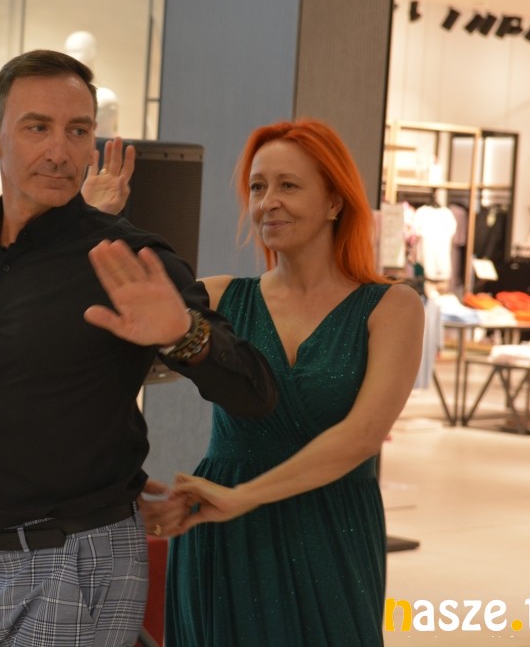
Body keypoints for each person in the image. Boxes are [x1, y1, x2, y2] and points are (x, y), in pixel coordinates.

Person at [0, 49, 277, 646]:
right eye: (37, 127)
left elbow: (256, 391)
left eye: (77, 130)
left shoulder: (131, 259)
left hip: (79, 559)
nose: (59, 151)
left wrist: (182, 333)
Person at [162, 119, 425, 646]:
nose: (268, 202)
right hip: (224, 534)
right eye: (258, 187)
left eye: (288, 185)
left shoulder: (391, 307)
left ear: (334, 202)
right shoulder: (217, 298)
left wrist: (245, 496)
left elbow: (362, 435)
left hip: (330, 529)